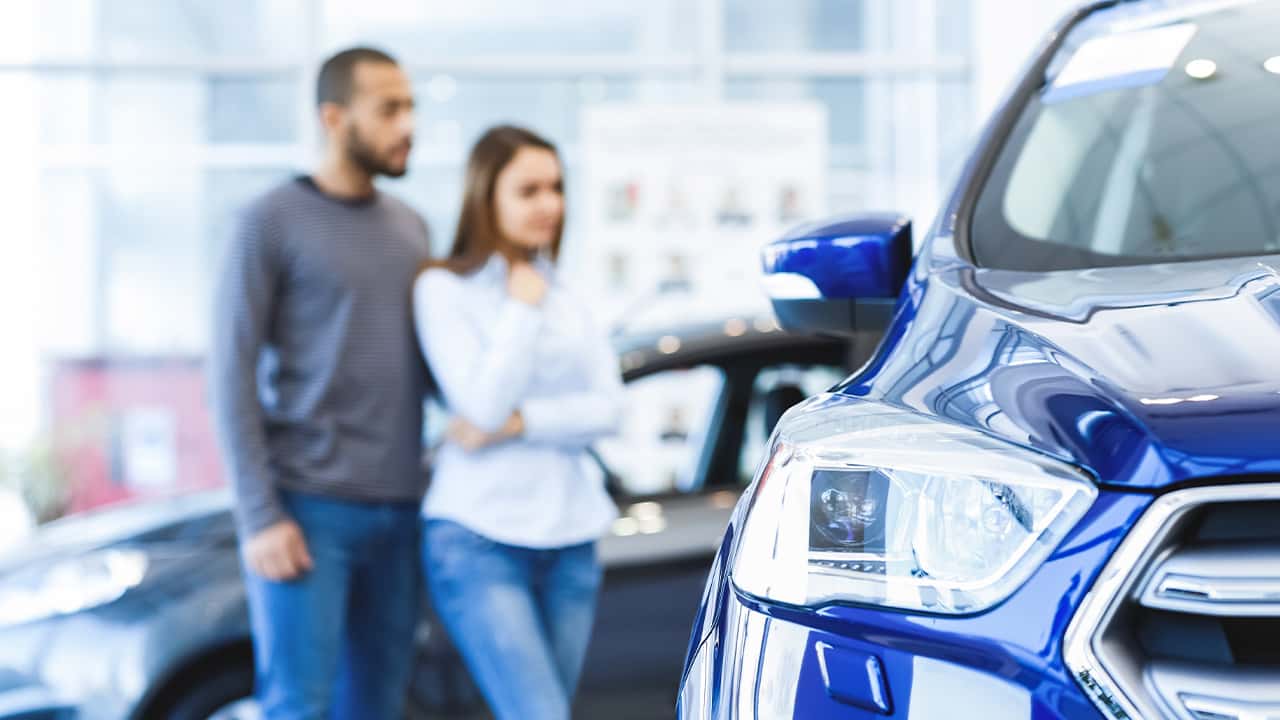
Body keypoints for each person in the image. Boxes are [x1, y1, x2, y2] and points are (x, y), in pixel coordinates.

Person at [209, 47, 429, 720]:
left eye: (411, 106)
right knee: (297, 707)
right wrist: (260, 516)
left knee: (378, 708)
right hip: (307, 513)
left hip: (401, 508)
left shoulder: (412, 227)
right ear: (334, 118)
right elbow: (229, 369)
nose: (408, 124)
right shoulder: (268, 220)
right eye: (389, 108)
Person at [413, 125, 622, 720]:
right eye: (528, 190)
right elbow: (478, 405)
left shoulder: (570, 293)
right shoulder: (442, 288)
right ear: (487, 197)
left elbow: (609, 408)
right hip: (478, 536)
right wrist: (521, 306)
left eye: (555, 188)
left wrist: (521, 422)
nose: (549, 205)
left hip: (572, 537)